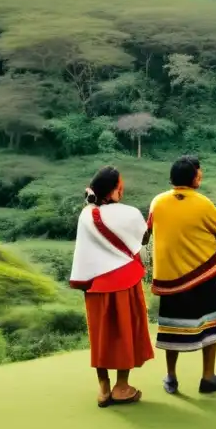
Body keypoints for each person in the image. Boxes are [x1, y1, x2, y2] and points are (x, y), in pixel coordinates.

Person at [69, 166, 154, 408]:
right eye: (120, 186)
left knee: (101, 335)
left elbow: (84, 251)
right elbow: (143, 238)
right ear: (112, 190)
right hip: (125, 282)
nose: (122, 189)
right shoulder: (129, 213)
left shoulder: (86, 215)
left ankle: (104, 388)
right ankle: (122, 387)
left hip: (96, 285)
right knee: (125, 333)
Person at [148, 155, 216, 395]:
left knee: (170, 329)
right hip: (200, 275)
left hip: (170, 278)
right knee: (211, 326)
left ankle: (171, 377)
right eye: (199, 172)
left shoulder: (158, 201)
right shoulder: (203, 203)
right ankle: (208, 377)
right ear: (194, 176)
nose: (201, 175)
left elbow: (148, 229)